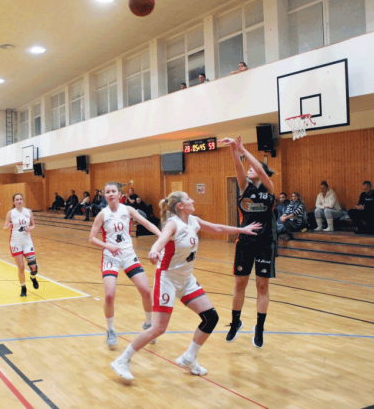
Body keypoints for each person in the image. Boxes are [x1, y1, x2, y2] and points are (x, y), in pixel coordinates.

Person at [110, 191, 261, 380]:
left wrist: (242, 229)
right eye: (189, 199)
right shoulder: (173, 223)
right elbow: (161, 240)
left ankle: (189, 357)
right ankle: (122, 360)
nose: (193, 200)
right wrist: (154, 250)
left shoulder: (193, 221)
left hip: (186, 279)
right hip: (167, 279)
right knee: (158, 328)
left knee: (210, 317)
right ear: (180, 206)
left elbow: (217, 228)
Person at [89, 181, 162, 347]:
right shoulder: (102, 214)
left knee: (146, 291)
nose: (110, 194)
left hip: (128, 255)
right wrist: (108, 246)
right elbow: (92, 238)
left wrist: (161, 235)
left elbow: (147, 223)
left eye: (113, 191)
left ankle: (148, 325)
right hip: (111, 257)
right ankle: (111, 330)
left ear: (120, 194)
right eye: (107, 192)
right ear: (104, 195)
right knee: (109, 295)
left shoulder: (128, 210)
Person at [219, 136, 276, 348]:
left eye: (254, 167)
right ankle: (236, 322)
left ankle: (259, 327)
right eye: (249, 167)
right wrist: (234, 148)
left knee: (262, 285)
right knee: (240, 283)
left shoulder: (269, 188)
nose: (250, 169)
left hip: (265, 243)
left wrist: (243, 149)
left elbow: (261, 171)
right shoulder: (245, 187)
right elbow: (238, 166)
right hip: (244, 242)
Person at [4, 193, 40, 297]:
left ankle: (33, 277)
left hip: (27, 242)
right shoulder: (11, 213)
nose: (19, 201)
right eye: (17, 199)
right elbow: (4, 229)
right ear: (14, 202)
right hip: (16, 242)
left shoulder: (28, 211)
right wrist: (8, 227)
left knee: (33, 267)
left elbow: (33, 225)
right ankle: (23, 288)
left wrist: (30, 228)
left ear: (23, 200)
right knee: (21, 267)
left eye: (21, 199)